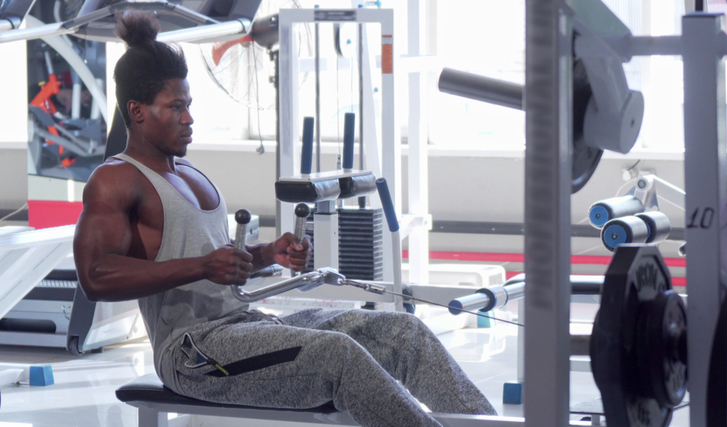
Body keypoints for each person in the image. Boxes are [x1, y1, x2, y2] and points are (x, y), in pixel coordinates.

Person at [73, 12, 497, 427]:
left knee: (405, 334)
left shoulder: (186, 172)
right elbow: (95, 276)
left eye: (189, 105)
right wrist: (202, 266)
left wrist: (264, 254)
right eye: (176, 107)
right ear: (138, 110)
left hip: (245, 324)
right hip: (192, 352)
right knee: (339, 355)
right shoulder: (115, 179)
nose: (189, 118)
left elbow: (219, 264)